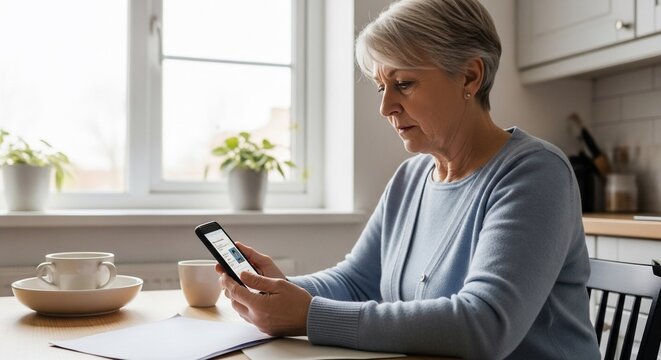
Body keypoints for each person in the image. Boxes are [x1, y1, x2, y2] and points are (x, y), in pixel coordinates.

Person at [217, 0, 601, 358]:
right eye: (382, 87)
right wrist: (282, 292)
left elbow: (485, 324)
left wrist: (308, 315)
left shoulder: (535, 173)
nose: (385, 107)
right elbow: (357, 281)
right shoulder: (412, 177)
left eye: (403, 84)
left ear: (469, 76)